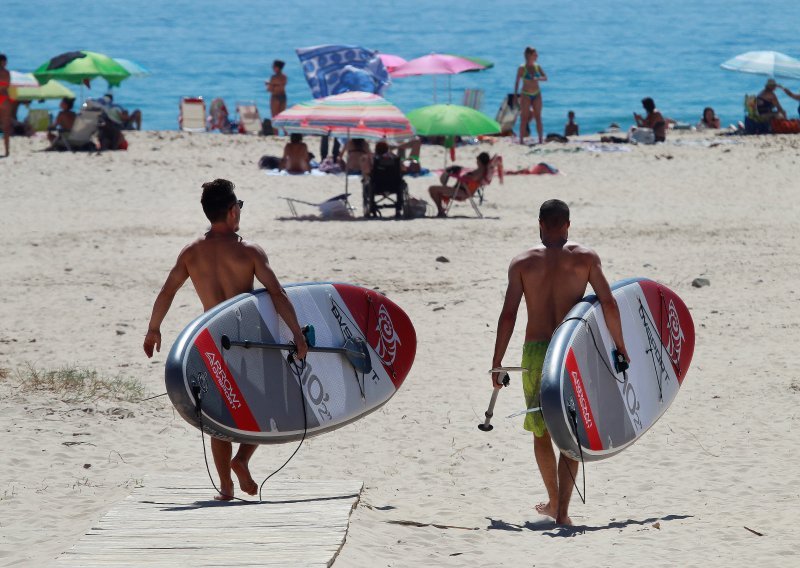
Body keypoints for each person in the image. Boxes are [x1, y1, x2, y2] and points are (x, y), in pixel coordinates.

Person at [143, 179, 308, 501]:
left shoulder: (191, 252)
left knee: (219, 415)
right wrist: (298, 335)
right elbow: (277, 293)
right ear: (233, 212)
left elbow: (167, 291)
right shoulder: (248, 251)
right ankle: (242, 460)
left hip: (211, 340)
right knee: (268, 403)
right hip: (248, 339)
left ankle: (225, 487)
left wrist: (154, 328)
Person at [490, 199, 628, 526]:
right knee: (572, 431)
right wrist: (621, 348)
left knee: (540, 432)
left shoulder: (522, 263)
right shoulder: (586, 259)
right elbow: (608, 304)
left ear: (539, 223)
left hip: (537, 351)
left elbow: (508, 314)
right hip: (570, 351)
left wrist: (497, 363)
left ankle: (553, 500)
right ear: (568, 224)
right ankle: (562, 512)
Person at [428, 152, 492, 217]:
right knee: (435, 188)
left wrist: (458, 176)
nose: (476, 161)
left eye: (477, 159)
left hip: (462, 192)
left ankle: (441, 211)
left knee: (432, 189)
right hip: (462, 190)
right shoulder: (481, 170)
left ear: (480, 161)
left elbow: (470, 179)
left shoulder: (480, 171)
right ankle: (441, 210)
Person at [514, 47, 547, 144]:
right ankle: (521, 140)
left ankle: (540, 140)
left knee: (538, 117)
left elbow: (545, 77)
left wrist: (538, 78)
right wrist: (516, 96)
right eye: (535, 54)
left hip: (537, 93)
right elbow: (517, 82)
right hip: (526, 94)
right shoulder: (522, 68)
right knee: (524, 118)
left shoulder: (537, 66)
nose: (537, 56)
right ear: (529, 55)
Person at [0, 54, 13, 156]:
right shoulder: (7, 73)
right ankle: (7, 151)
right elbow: (7, 85)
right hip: (4, 97)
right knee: (6, 125)